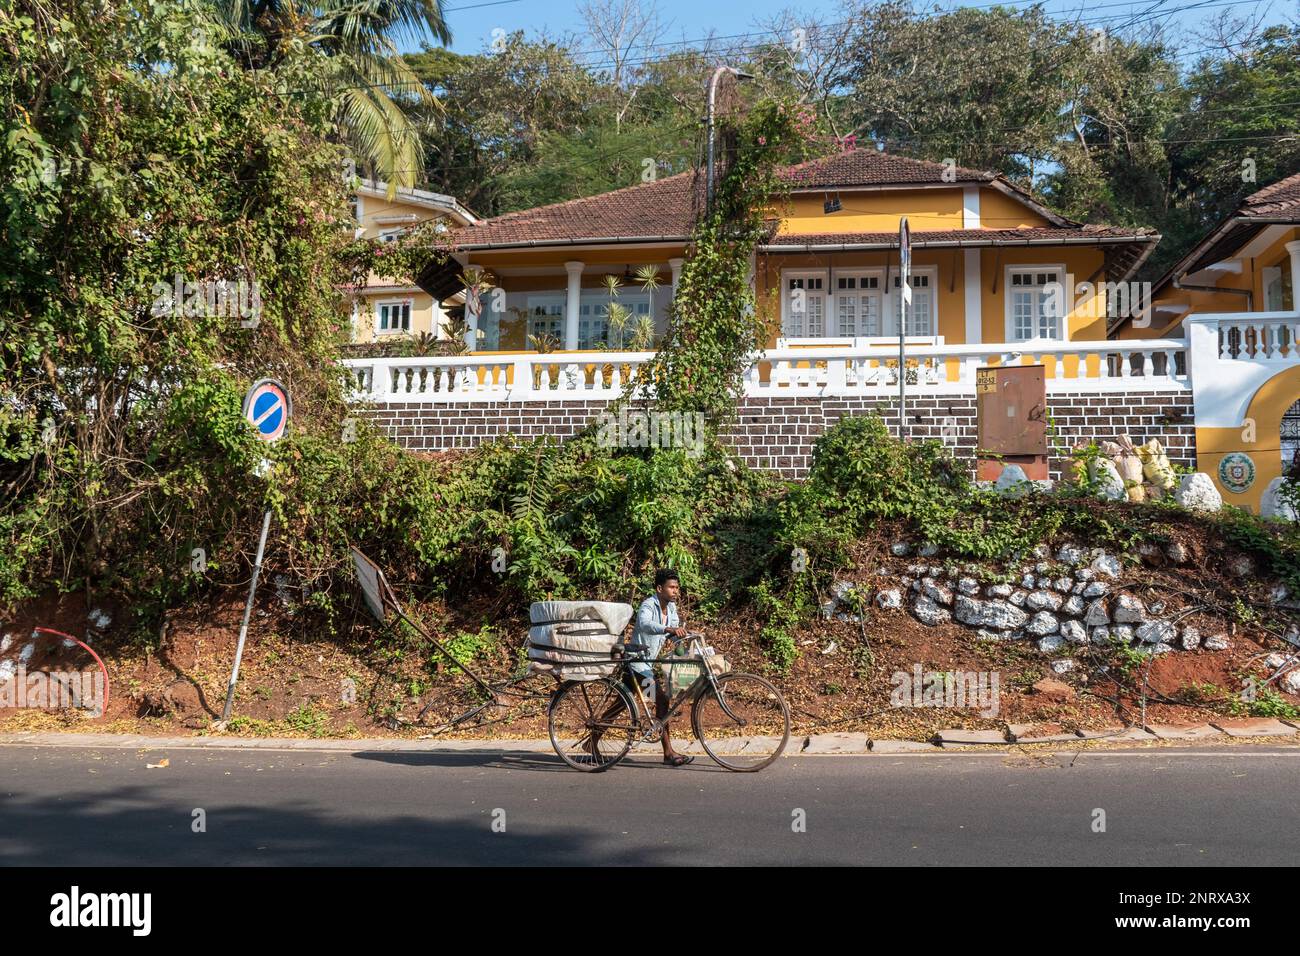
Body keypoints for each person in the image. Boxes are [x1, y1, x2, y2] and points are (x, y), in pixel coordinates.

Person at [629, 568, 693, 767]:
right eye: (671, 587)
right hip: (636, 663)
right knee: (662, 701)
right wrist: (668, 629)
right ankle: (668, 753)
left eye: (676, 587)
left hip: (647, 664)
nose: (675, 591)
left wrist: (684, 636)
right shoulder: (648, 605)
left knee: (618, 705)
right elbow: (645, 624)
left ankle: (592, 741)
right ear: (659, 588)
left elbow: (673, 632)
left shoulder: (671, 608)